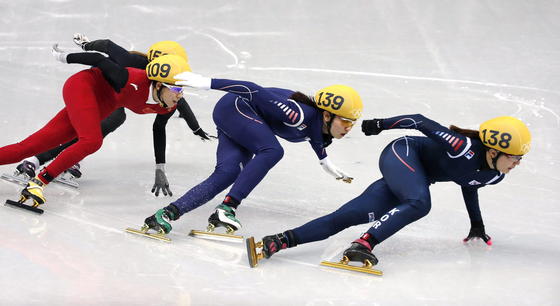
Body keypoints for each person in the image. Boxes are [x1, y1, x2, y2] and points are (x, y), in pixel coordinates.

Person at [250, 114, 531, 267]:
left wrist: (477, 225)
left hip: (414, 178)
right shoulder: (462, 146)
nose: (517, 163)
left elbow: (469, 185)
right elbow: (421, 121)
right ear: (494, 150)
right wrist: (380, 125)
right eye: (514, 157)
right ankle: (364, 244)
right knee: (420, 202)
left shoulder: (495, 174)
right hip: (403, 153)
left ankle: (279, 241)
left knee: (348, 215)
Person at [141, 71, 364, 235]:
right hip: (236, 107)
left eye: (352, 123)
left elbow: (315, 138)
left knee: (227, 173)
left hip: (242, 118)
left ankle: (165, 214)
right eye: (345, 121)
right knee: (273, 150)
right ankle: (228, 207)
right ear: (327, 115)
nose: (348, 128)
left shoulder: (318, 128)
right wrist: (209, 83)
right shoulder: (297, 114)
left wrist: (325, 162)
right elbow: (251, 88)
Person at [13, 35, 215, 197]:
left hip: (120, 96)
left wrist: (195, 128)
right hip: (100, 87)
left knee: (102, 127)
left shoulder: (165, 83)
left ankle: (65, 157)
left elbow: (177, 102)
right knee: (99, 129)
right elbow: (107, 47)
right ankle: (37, 160)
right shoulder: (135, 63)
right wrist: (84, 46)